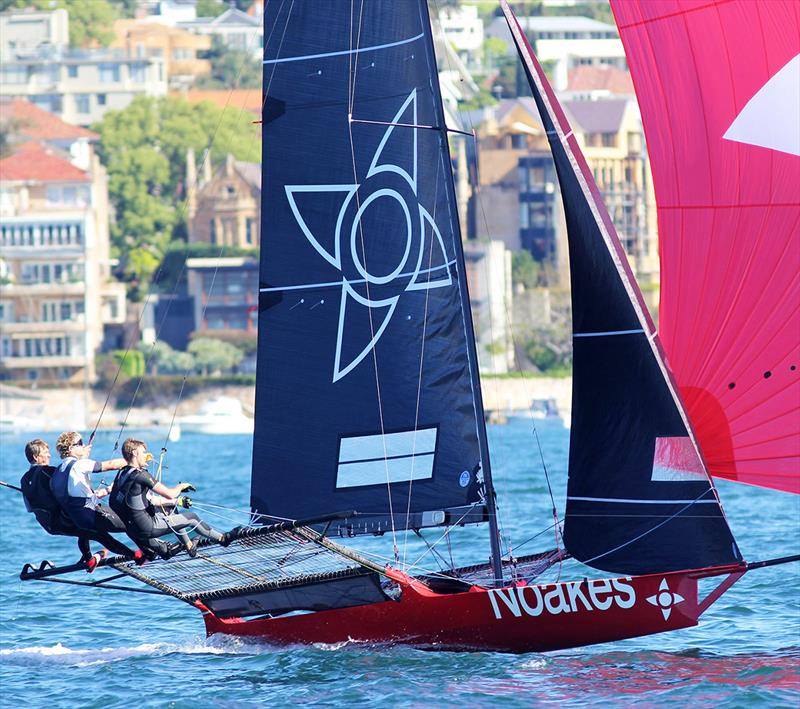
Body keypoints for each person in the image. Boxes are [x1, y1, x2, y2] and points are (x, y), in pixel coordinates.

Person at [109, 437, 232, 559]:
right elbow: (170, 494)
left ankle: (189, 546)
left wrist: (176, 502)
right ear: (135, 453)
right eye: (143, 452)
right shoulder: (142, 476)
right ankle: (223, 539)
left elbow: (146, 500)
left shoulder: (121, 474)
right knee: (193, 518)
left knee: (169, 509)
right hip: (148, 527)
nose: (145, 455)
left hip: (132, 531)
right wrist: (181, 486)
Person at [50, 431, 140, 562]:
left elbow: (74, 490)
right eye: (80, 443)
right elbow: (111, 465)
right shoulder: (79, 465)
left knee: (104, 538)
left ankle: (135, 556)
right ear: (71, 449)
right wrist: (134, 460)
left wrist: (103, 491)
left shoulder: (58, 470)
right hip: (92, 513)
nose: (84, 445)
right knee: (132, 522)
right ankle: (153, 549)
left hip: (79, 520)